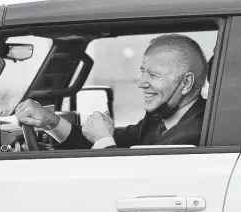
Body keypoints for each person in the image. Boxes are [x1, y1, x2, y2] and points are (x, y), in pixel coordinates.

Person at [15, 34, 208, 149]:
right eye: (143, 72)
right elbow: (97, 144)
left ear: (186, 83)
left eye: (154, 75)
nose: (142, 84)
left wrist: (104, 140)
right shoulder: (158, 119)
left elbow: (136, 186)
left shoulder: (194, 134)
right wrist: (50, 121)